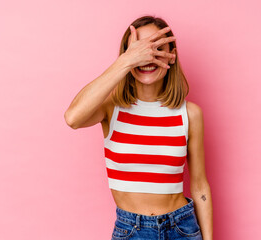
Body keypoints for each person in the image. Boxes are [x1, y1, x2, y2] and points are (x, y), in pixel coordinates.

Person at [64, 15, 213, 240]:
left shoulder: (190, 114)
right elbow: (73, 118)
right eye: (139, 49)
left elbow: (200, 186)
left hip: (182, 228)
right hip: (131, 230)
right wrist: (126, 61)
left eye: (156, 48)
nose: (147, 56)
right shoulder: (111, 109)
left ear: (171, 56)